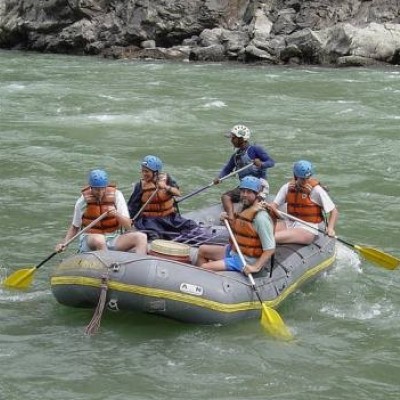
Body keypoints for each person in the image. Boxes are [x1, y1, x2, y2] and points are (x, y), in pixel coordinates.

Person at [55, 169, 148, 254]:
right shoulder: (82, 201)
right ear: (91, 187)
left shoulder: (117, 196)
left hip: (113, 238)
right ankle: (107, 267)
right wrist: (65, 243)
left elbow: (128, 225)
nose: (100, 192)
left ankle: (141, 266)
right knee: (100, 239)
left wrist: (116, 214)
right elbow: (75, 227)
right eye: (96, 189)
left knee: (141, 237)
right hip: (91, 239)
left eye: (102, 189)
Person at [196, 176, 275, 275]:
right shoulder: (244, 209)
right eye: (243, 191)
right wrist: (227, 220)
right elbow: (239, 232)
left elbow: (270, 248)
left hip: (245, 260)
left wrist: (255, 267)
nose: (245, 195)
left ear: (257, 194)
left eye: (249, 192)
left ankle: (203, 279)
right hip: (234, 251)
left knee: (204, 268)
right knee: (202, 250)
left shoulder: (260, 218)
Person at [267, 160, 338, 245]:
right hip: (290, 223)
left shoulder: (317, 190)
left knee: (269, 238)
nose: (305, 181)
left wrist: (330, 228)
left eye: (307, 178)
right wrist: (268, 207)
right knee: (260, 233)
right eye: (302, 179)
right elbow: (274, 205)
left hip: (308, 228)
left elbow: (334, 211)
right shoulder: (287, 187)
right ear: (296, 176)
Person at [127, 155, 198, 240]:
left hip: (169, 217)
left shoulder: (166, 180)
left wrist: (165, 187)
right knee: (155, 236)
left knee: (191, 225)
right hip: (150, 220)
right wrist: (129, 222)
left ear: (156, 172)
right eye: (143, 171)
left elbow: (178, 193)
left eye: (147, 171)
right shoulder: (140, 186)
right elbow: (132, 207)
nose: (144, 174)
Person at [213, 124, 275, 220]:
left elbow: (271, 162)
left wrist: (261, 164)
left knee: (250, 203)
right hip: (244, 186)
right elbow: (227, 169)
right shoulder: (236, 156)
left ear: (241, 139)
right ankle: (231, 218)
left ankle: (252, 215)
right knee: (225, 197)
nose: (231, 140)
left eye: (233, 138)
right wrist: (220, 178)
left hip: (259, 185)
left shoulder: (255, 150)